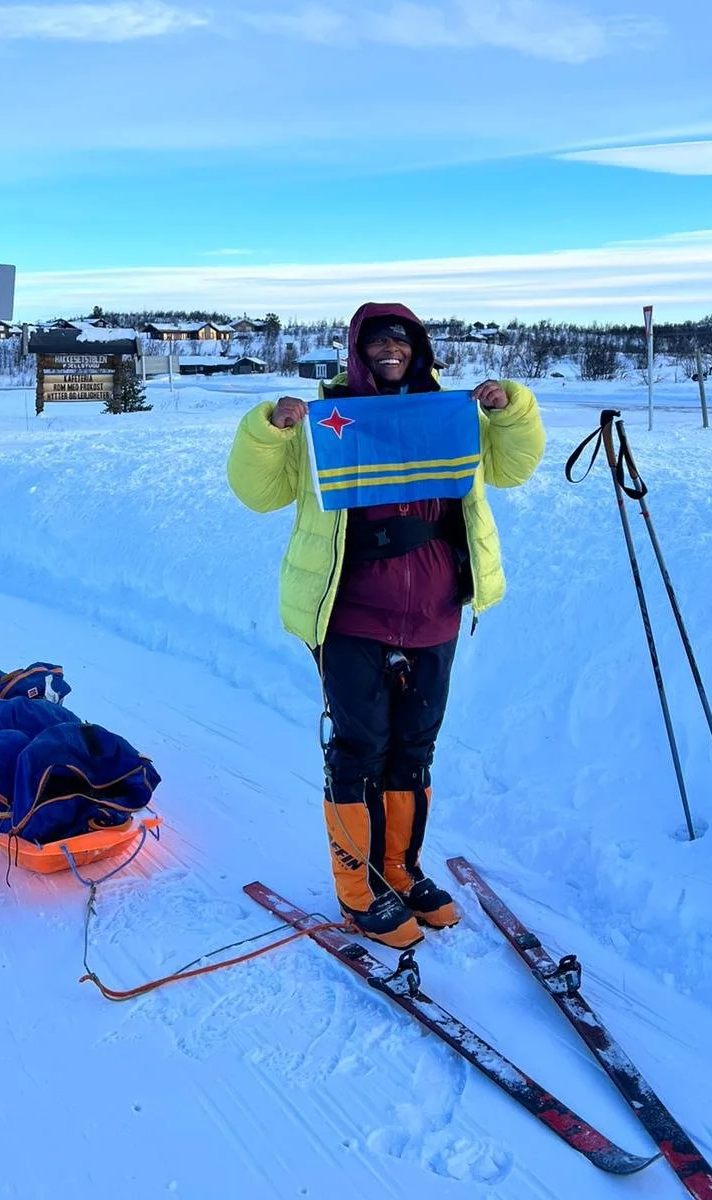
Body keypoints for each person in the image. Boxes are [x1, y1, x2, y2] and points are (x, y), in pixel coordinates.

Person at [227, 302, 544, 948]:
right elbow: (257, 492)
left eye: (401, 338)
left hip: (434, 612)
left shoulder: (449, 413)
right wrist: (270, 430)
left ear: (419, 348)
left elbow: (513, 468)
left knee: (414, 749)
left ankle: (399, 869)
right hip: (351, 613)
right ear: (356, 351)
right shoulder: (328, 417)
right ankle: (357, 888)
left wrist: (510, 409)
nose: (389, 349)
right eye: (375, 340)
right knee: (360, 748)